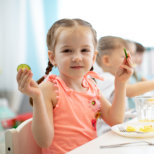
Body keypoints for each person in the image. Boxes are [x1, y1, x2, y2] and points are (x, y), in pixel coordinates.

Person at [16, 19, 133, 154]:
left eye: (84, 50)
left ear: (93, 57)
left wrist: (121, 83)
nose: (77, 57)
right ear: (53, 57)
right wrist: (37, 97)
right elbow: (44, 142)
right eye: (67, 50)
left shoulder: (91, 86)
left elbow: (115, 120)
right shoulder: (49, 89)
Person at [96, 36, 154, 134]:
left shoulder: (117, 79)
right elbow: (130, 91)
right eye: (124, 57)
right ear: (106, 60)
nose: (130, 61)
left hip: (120, 130)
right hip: (108, 134)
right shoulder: (105, 78)